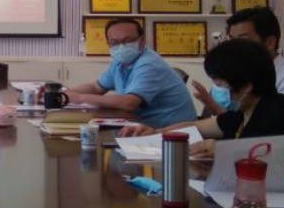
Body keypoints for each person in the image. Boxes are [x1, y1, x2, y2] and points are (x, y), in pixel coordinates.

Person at [121, 39, 284, 158]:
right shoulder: (242, 112)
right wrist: (156, 132)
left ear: (246, 87)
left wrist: (223, 151)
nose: (217, 91)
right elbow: (196, 127)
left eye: (220, 85)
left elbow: (269, 159)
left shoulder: (278, 117)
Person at [64, 18, 197, 128]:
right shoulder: (119, 62)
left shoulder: (149, 64)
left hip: (172, 134)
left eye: (128, 41)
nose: (121, 47)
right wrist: (65, 94)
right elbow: (96, 87)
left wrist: (80, 98)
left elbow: (129, 103)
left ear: (142, 41)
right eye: (115, 43)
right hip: (145, 127)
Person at [194, 7, 284, 114]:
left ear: (270, 43)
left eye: (243, 40)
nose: (234, 48)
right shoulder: (243, 72)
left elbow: (269, 122)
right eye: (232, 40)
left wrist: (216, 109)